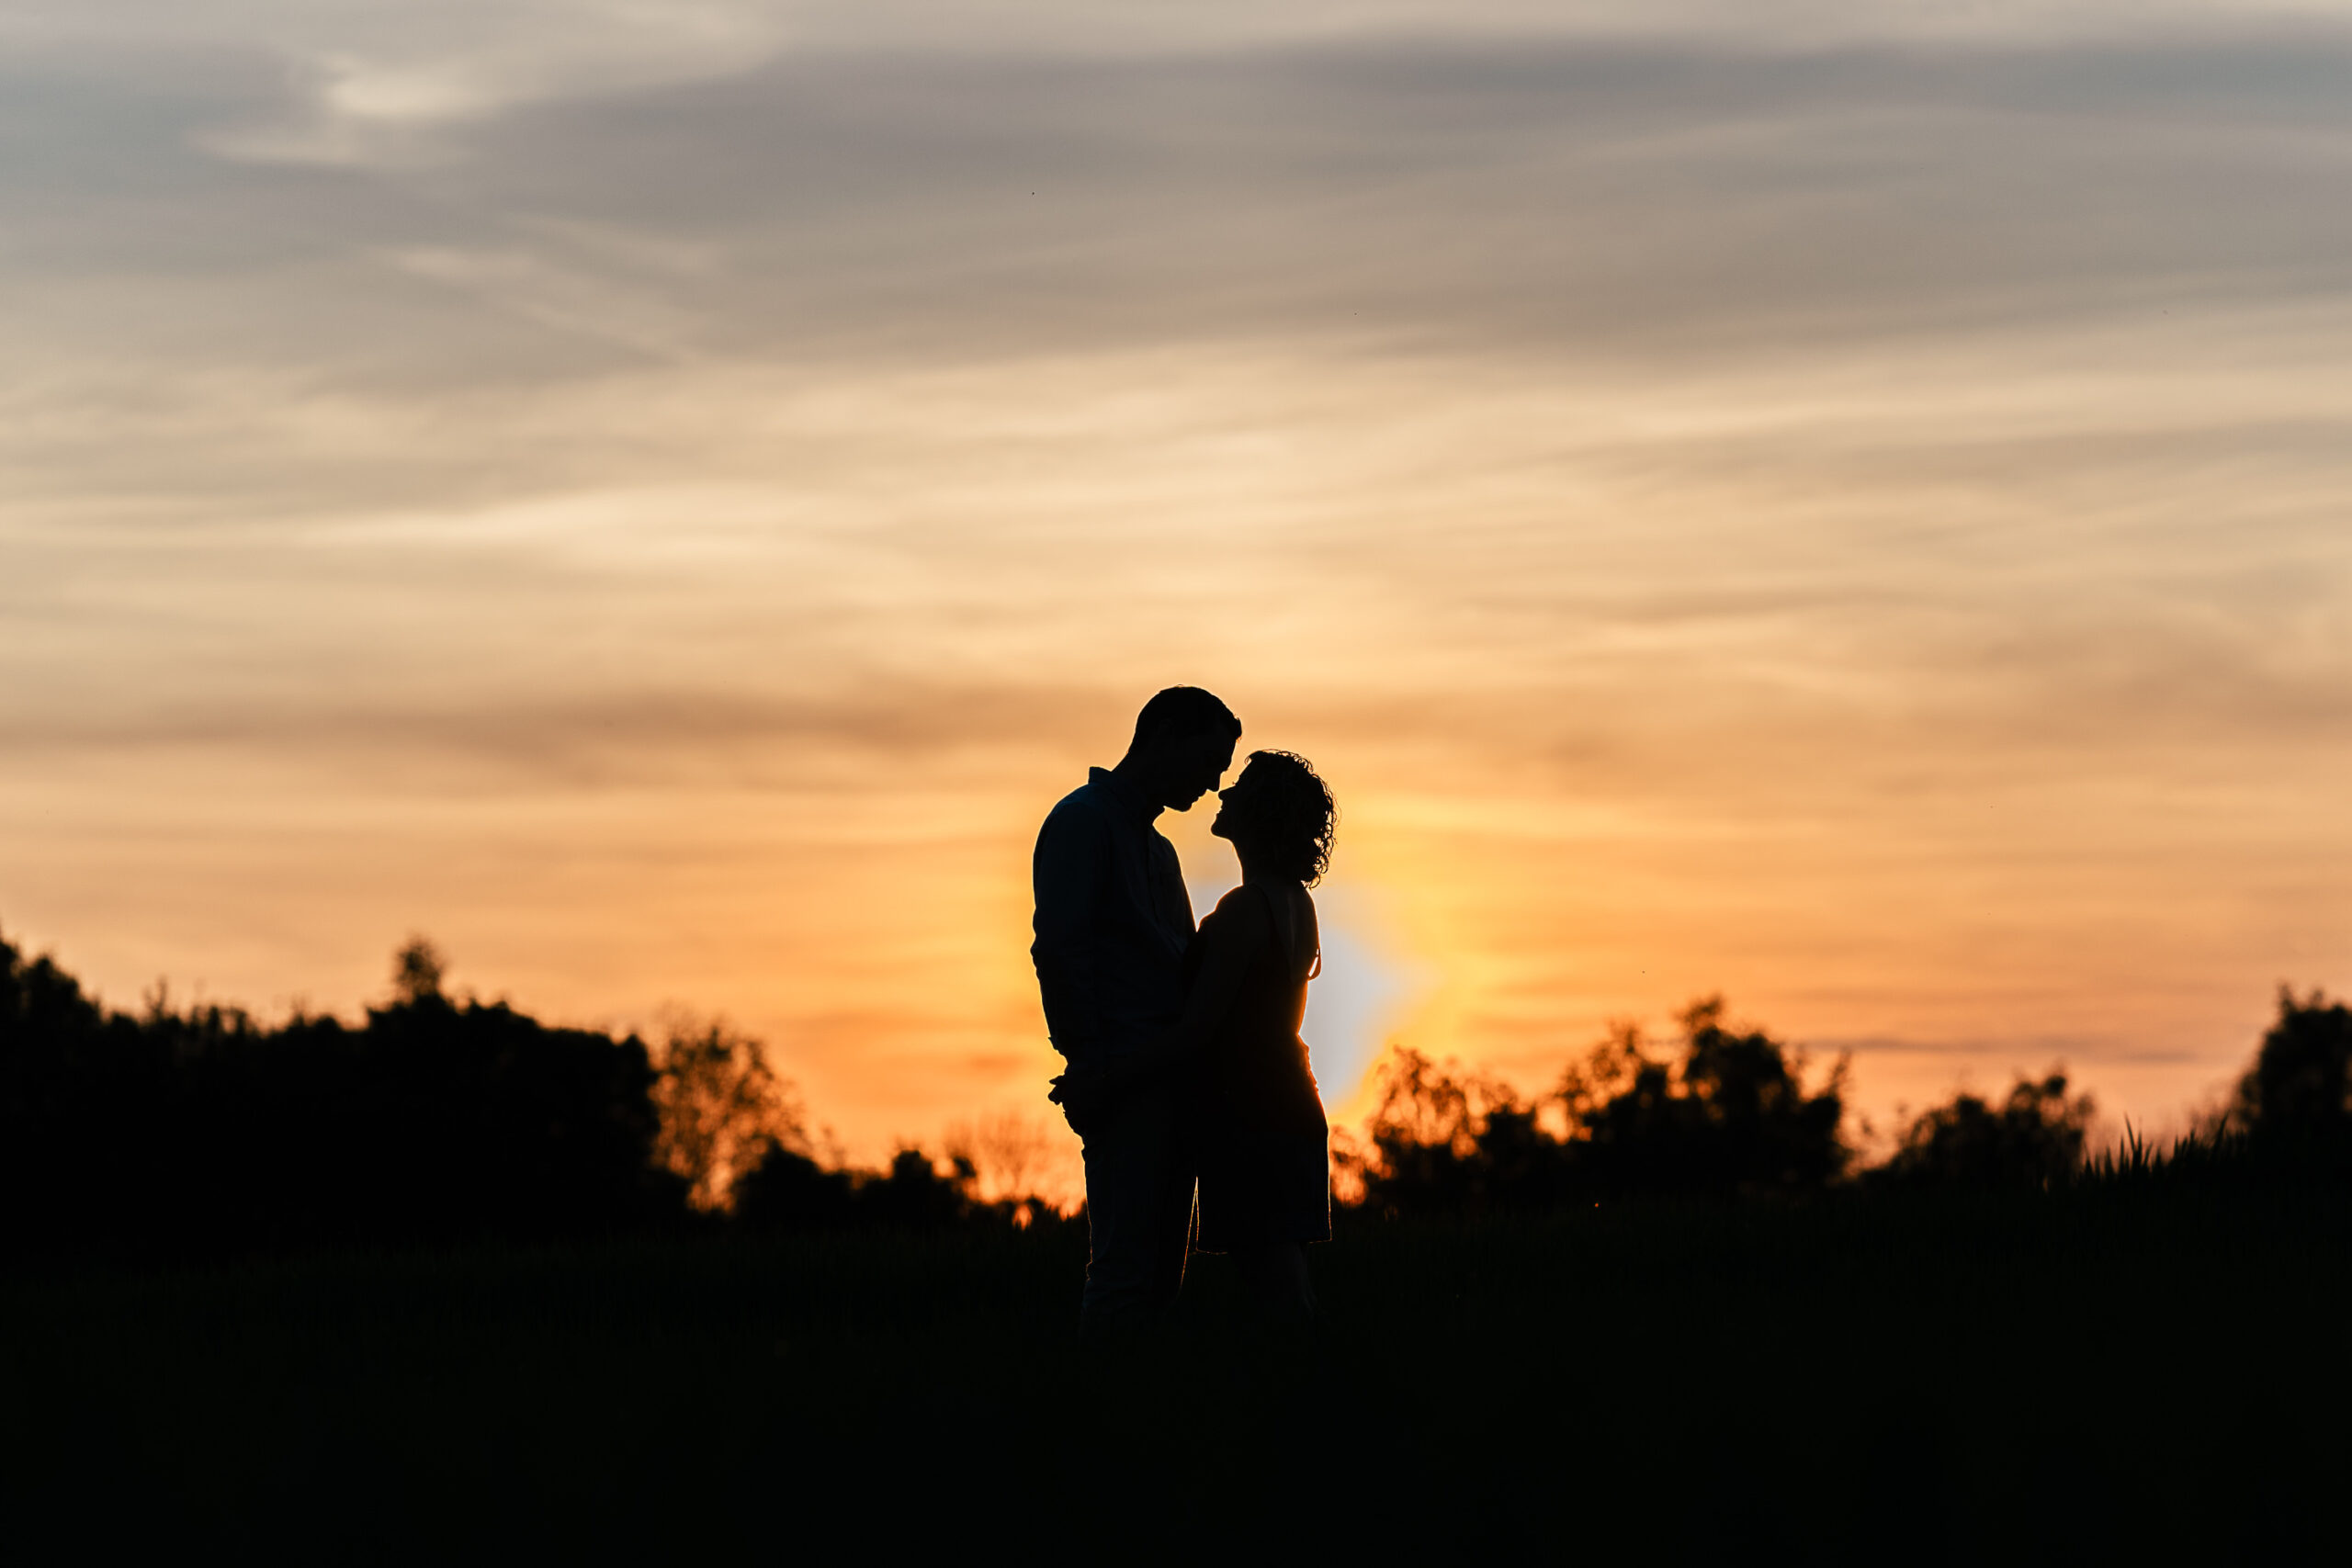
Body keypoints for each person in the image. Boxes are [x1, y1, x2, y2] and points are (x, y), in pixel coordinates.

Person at [1033, 686, 1240, 1343]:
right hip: (1121, 1073)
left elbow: (1178, 963)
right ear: (1165, 735)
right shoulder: (1082, 821)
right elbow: (1061, 950)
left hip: (1171, 1073)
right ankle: (1101, 1417)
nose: (1213, 785)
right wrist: (1090, 1063)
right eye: (1209, 761)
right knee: (1123, 1270)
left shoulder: (1160, 850)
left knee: (1161, 1278)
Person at [1148, 750, 1336, 1325]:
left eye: (1238, 790)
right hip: (1288, 1099)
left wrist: (1108, 1071)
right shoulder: (1295, 902)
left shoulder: (1246, 909)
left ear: (1258, 812)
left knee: (1277, 1293)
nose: (1222, 795)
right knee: (1286, 1285)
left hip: (1253, 1112)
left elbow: (1196, 1031)